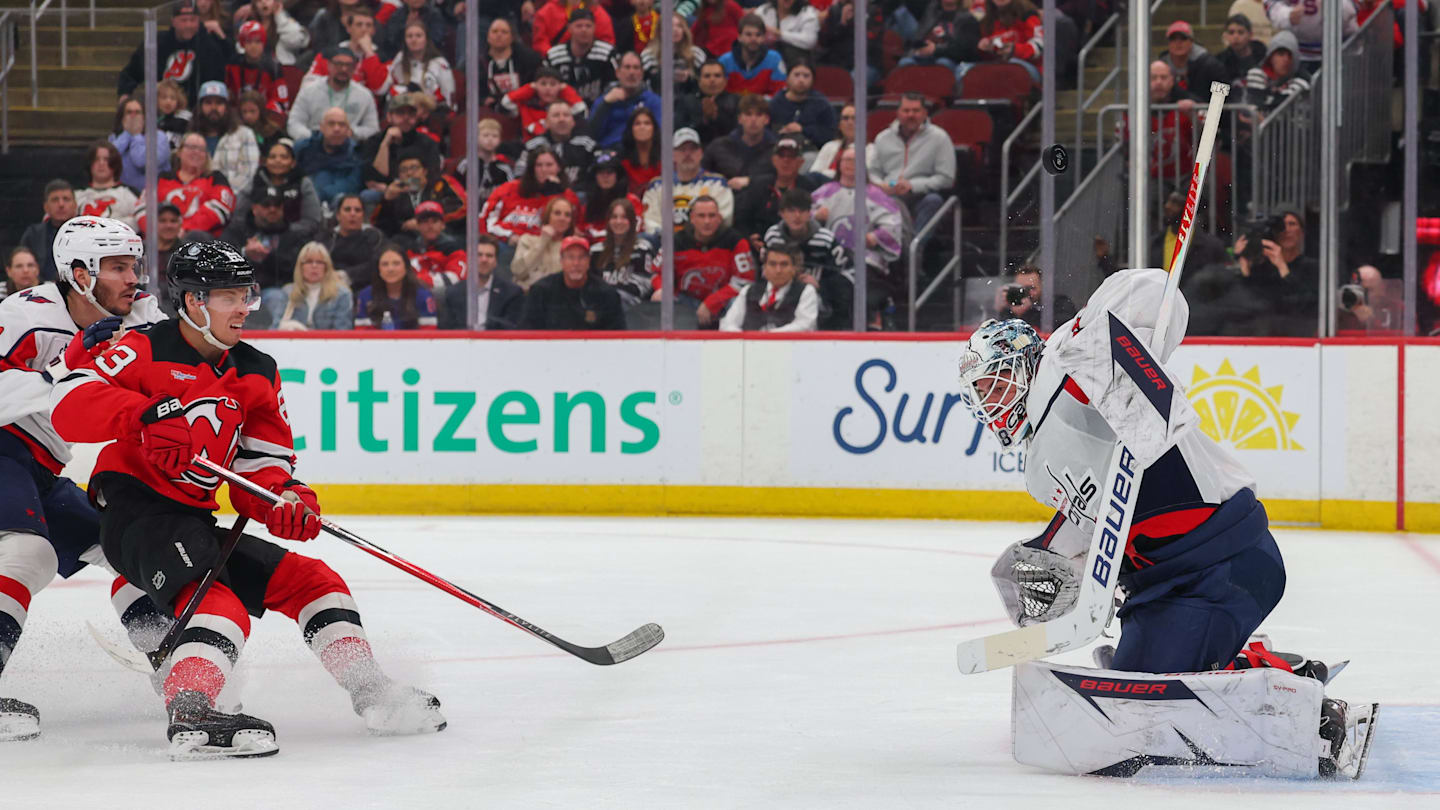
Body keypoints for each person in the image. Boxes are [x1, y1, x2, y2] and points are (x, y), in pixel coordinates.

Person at [956, 268, 1373, 780]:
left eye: (993, 383)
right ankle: (1263, 667)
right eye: (979, 394)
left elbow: (1157, 292)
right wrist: (1057, 566)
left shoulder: (1068, 363)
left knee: (1143, 715)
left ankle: (1311, 715)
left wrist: (1095, 334)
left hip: (1223, 565)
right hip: (1162, 590)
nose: (989, 404)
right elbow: (1093, 532)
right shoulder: (1041, 469)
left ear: (1023, 365)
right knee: (1134, 691)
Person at [48, 240, 443, 759]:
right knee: (221, 607)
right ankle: (190, 716)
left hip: (192, 520)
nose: (244, 308)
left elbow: (260, 465)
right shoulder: (143, 347)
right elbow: (68, 403)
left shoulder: (257, 369)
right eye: (230, 296)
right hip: (135, 514)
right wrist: (142, 414)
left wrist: (284, 499)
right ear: (193, 302)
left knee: (314, 581)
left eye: (247, 295)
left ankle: (372, 692)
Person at [0, 217, 170, 743]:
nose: (132, 279)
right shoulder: (25, 314)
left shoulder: (140, 317)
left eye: (135, 266)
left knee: (121, 548)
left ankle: (178, 666)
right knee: (29, 554)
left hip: (43, 468)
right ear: (78, 273)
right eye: (117, 268)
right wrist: (63, 369)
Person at [649, 195, 755, 327]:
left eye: (712, 216)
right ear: (692, 218)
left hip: (723, 303)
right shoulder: (675, 242)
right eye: (701, 216)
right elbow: (656, 272)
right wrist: (661, 289)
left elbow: (745, 281)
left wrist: (712, 302)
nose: (707, 221)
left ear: (719, 218)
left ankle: (735, 342)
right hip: (685, 302)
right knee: (659, 298)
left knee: (740, 301)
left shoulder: (735, 241)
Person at [761, 187, 851, 330]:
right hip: (780, 294)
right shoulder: (772, 236)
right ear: (781, 214)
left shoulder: (825, 239)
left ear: (810, 213)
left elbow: (843, 276)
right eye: (791, 211)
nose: (797, 216)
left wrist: (821, 286)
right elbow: (764, 271)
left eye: (802, 211)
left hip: (818, 296)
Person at [480, 146, 582, 269]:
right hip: (509, 243)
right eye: (539, 165)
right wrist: (509, 236)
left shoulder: (567, 196)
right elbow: (485, 220)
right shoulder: (509, 189)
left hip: (547, 245)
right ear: (532, 168)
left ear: (558, 168)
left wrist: (554, 191)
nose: (544, 170)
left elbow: (570, 228)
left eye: (549, 165)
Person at [812, 144, 905, 277]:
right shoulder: (824, 192)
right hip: (829, 258)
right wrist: (815, 216)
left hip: (866, 260)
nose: (850, 164)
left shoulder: (877, 195)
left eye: (855, 160)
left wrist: (875, 237)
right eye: (846, 160)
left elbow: (893, 223)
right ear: (839, 164)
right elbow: (800, 216)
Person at [868, 93, 956, 232]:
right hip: (889, 192)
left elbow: (946, 178)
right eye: (906, 110)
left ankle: (913, 248)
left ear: (924, 113)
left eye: (916, 111)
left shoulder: (940, 138)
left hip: (920, 195)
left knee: (933, 201)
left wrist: (912, 186)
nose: (910, 115)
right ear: (898, 113)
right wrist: (882, 185)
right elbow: (873, 171)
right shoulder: (883, 138)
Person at [117, 0, 227, 110]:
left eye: (192, 20)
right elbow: (131, 73)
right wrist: (125, 93)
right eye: (183, 20)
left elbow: (220, 77)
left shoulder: (209, 46)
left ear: (199, 21)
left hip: (196, 114)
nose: (188, 25)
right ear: (173, 21)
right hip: (160, 111)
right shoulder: (157, 43)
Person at [1232, 203, 1320, 335]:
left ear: (1302, 232)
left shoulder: (1313, 267)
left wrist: (1282, 267)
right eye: (1282, 225)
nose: (1286, 230)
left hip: (1299, 337)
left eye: (1292, 224)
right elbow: (1247, 306)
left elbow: (1306, 306)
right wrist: (1243, 266)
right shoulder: (1262, 269)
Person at [139, 132, 236, 237]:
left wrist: (182, 229)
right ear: (179, 152)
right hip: (160, 239)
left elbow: (220, 209)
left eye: (201, 149)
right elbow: (142, 207)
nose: (196, 152)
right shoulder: (163, 178)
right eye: (191, 147)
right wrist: (158, 231)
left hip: (201, 242)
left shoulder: (216, 178)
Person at [641, 128, 734, 235]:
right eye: (682, 149)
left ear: (701, 153)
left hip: (706, 244)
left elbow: (724, 219)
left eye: (692, 149)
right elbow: (650, 221)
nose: (687, 154)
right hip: (664, 245)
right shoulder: (657, 186)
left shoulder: (718, 184)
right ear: (672, 154)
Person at [222, 185, 310, 297]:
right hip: (239, 289)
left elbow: (297, 267)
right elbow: (222, 258)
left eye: (277, 205)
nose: (272, 209)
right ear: (254, 208)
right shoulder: (237, 229)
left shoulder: (295, 235)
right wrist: (245, 253)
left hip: (279, 290)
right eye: (266, 205)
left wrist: (266, 257)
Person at [522, 235, 625, 329]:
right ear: (561, 261)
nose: (576, 263)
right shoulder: (541, 291)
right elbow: (527, 331)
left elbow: (618, 336)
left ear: (589, 262)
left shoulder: (607, 294)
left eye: (581, 257)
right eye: (570, 257)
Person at [737, 136, 819, 248]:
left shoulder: (810, 188)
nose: (786, 160)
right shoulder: (758, 185)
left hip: (800, 247)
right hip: (760, 247)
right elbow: (741, 218)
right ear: (774, 160)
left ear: (801, 162)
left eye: (791, 156)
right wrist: (749, 237)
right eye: (782, 156)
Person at [237, 137, 324, 240]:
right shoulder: (256, 181)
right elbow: (238, 214)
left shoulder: (302, 183)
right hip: (255, 237)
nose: (278, 161)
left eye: (284, 157)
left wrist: (284, 232)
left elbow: (312, 220)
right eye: (272, 157)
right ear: (265, 162)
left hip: (294, 239)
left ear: (293, 163)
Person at [719, 243, 819, 332]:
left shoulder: (806, 291)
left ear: (794, 268)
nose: (778, 270)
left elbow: (805, 325)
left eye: (784, 264)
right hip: (750, 348)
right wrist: (745, 339)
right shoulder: (748, 291)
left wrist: (769, 337)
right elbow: (727, 324)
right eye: (772, 264)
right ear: (764, 268)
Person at [288, 47, 382, 141]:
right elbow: (294, 123)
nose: (344, 69)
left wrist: (352, 132)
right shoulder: (309, 91)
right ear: (329, 65)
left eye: (348, 65)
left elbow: (373, 128)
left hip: (350, 146)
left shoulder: (365, 95)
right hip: (313, 144)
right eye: (338, 64)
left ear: (354, 68)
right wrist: (314, 137)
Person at [362, 92, 443, 192]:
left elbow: (432, 177)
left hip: (419, 193)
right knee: (370, 195)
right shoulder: (374, 141)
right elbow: (371, 180)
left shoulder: (427, 143)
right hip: (384, 198)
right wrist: (385, 145)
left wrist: (395, 187)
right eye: (400, 113)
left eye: (411, 114)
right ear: (389, 116)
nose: (406, 117)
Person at [439, 235, 524, 329]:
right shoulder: (453, 293)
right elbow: (446, 331)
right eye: (479, 255)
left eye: (489, 256)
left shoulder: (511, 293)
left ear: (496, 261)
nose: (484, 260)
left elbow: (512, 330)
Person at [375, 151, 467, 237]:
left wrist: (425, 221)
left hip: (443, 234)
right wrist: (386, 201)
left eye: (414, 168)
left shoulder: (442, 183)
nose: (409, 173)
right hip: (408, 239)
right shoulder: (395, 192)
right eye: (403, 170)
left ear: (424, 171)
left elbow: (461, 207)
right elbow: (381, 225)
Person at [267, 241, 355, 329]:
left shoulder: (342, 294)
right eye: (309, 262)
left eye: (320, 262)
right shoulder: (287, 292)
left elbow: (342, 331)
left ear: (327, 267)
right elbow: (273, 327)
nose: (314, 266)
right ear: (300, 266)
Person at [191, 81, 261, 192]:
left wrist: (222, 196)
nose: (213, 108)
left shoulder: (244, 134)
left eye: (219, 103)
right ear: (200, 107)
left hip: (234, 197)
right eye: (208, 103)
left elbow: (248, 175)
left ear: (227, 107)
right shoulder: (191, 137)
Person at [703, 94, 779, 192]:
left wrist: (751, 181)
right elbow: (702, 174)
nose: (753, 120)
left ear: (767, 119)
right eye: (748, 114)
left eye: (759, 115)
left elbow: (784, 179)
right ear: (739, 119)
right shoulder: (719, 146)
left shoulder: (776, 150)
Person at [303, 9, 391, 92]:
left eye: (368, 25)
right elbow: (308, 85)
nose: (364, 29)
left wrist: (369, 53)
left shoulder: (382, 57)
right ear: (348, 28)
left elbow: (380, 90)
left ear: (373, 30)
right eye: (359, 24)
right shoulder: (329, 54)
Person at [514, 100, 598, 187]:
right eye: (556, 115)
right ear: (546, 123)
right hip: (540, 194)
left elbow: (598, 172)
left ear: (573, 122)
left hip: (578, 194)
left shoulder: (587, 145)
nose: (561, 119)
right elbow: (519, 174)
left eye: (566, 115)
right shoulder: (533, 146)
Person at [589, 51, 662, 150]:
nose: (631, 72)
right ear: (617, 73)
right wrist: (605, 105)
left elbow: (660, 134)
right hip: (610, 155)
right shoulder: (604, 100)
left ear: (641, 73)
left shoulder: (654, 101)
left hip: (641, 153)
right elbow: (591, 134)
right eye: (627, 67)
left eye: (636, 68)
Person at [356, 242, 440, 328]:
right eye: (385, 264)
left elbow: (429, 336)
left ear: (406, 267)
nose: (390, 269)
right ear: (378, 269)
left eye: (396, 263)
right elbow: (361, 335)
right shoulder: (365, 296)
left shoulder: (423, 295)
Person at [295, 107, 365, 207]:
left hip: (338, 203)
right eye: (331, 124)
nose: (337, 129)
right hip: (305, 200)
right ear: (321, 127)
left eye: (342, 125)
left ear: (348, 130)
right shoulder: (303, 148)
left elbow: (352, 185)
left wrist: (318, 195)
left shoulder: (355, 152)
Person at [592, 198, 656, 307]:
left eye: (624, 217)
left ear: (632, 221)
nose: (618, 221)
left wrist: (612, 293)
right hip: (600, 304)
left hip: (632, 307)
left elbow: (644, 285)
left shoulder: (642, 248)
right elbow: (590, 283)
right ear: (608, 221)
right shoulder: (595, 250)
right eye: (614, 217)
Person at [544, 9, 615, 104]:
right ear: (569, 28)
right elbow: (543, 86)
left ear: (595, 28)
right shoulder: (554, 55)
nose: (584, 30)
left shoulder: (607, 53)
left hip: (599, 108)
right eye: (579, 26)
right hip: (563, 111)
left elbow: (615, 84)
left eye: (588, 26)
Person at [964, 0, 1043, 85]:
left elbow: (1040, 46)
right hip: (996, 66)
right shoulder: (985, 16)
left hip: (1027, 67)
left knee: (1010, 66)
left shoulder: (1027, 14)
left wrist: (1014, 50)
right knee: (966, 70)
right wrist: (983, 49)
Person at [380, 21, 455, 109]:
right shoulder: (399, 58)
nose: (414, 40)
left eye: (418, 36)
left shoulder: (440, 63)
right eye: (409, 36)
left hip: (431, 111)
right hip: (403, 109)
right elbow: (387, 86)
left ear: (426, 39)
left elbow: (448, 98)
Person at [1267, 0, 1357, 73]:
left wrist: (1333, 7)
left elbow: (1353, 6)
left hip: (1340, 51)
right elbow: (1271, 5)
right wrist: (1287, 15)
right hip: (1297, 53)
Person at [510, 195, 577, 291]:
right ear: (547, 216)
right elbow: (518, 271)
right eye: (557, 213)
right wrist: (543, 241)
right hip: (527, 296)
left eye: (567, 215)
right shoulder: (527, 240)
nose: (562, 218)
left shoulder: (573, 246)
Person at [226, 20, 290, 122]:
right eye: (249, 41)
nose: (253, 46)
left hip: (266, 119)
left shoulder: (273, 67)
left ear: (263, 43)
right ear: (242, 43)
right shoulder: (233, 64)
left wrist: (262, 114)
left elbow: (281, 102)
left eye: (258, 41)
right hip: (238, 118)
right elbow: (228, 94)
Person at [502, 65, 589, 139]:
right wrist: (528, 89)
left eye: (553, 84)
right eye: (543, 84)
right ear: (535, 85)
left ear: (561, 86)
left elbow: (582, 110)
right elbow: (505, 103)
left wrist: (566, 90)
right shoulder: (527, 106)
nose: (548, 88)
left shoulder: (565, 107)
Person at [768, 62, 838, 152]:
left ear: (813, 80)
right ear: (787, 78)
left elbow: (829, 134)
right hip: (778, 151)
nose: (801, 80)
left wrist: (803, 129)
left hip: (812, 152)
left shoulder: (821, 103)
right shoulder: (775, 103)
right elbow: (766, 132)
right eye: (796, 75)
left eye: (806, 76)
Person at [322, 193, 386, 290]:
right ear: (338, 215)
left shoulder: (375, 237)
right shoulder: (327, 238)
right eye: (347, 210)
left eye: (357, 210)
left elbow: (378, 264)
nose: (353, 214)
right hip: (329, 287)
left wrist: (347, 275)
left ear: (363, 215)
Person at [1237, 30, 1312, 113]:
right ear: (1270, 56)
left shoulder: (1300, 82)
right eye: (1281, 54)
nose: (1286, 60)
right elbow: (1254, 109)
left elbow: (1280, 115)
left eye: (1290, 56)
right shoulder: (1257, 74)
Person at [479, 16, 543, 109]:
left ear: (512, 37)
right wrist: (484, 100)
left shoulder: (529, 59)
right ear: (488, 37)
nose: (499, 35)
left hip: (522, 108)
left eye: (504, 32)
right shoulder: (478, 63)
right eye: (495, 31)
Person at [76, 141, 143, 231]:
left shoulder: (129, 194)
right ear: (90, 163)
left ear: (115, 164)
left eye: (107, 159)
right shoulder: (76, 195)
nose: (101, 163)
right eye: (96, 159)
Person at [898, 0, 980, 73]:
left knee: (942, 64)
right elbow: (920, 36)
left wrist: (935, 49)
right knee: (905, 63)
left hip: (950, 60)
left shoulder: (968, 19)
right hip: (923, 56)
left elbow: (965, 50)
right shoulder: (931, 12)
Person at [20, 181, 78, 282]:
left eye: (66, 199)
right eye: (55, 200)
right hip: (39, 289)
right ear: (46, 207)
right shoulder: (33, 234)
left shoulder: (88, 232)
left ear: (75, 205)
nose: (61, 204)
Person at [403, 201, 468, 290]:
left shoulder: (454, 248)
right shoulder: (410, 249)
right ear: (417, 226)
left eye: (435, 221)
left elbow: (456, 278)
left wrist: (419, 280)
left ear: (443, 225)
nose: (430, 226)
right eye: (425, 222)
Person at [717, 14, 787, 96]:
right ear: (739, 37)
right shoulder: (724, 61)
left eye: (758, 35)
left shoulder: (775, 59)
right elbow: (719, 95)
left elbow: (779, 94)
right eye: (748, 34)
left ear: (764, 37)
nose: (753, 39)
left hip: (764, 108)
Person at [990, 264, 1076, 328]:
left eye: (1031, 288)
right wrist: (998, 310)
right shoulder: (1010, 308)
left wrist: (1027, 312)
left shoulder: (1059, 304)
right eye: (1020, 288)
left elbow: (1061, 327)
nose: (1025, 293)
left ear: (1042, 287)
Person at [1159, 20, 1226, 103]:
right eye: (1173, 38)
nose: (1178, 43)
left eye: (1183, 38)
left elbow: (1221, 93)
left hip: (1204, 113)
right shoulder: (1160, 67)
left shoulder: (1212, 65)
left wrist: (1211, 115)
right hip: (1169, 114)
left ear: (1191, 41)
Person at [581, 150, 642, 241]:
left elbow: (636, 230)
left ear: (618, 175)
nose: (605, 176)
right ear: (595, 176)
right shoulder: (587, 205)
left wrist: (595, 235)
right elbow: (582, 232)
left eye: (609, 172)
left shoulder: (632, 201)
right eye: (601, 172)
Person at [453, 118, 515, 207]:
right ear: (476, 137)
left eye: (495, 136)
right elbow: (454, 191)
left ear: (500, 140)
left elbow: (511, 194)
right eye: (485, 135)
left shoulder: (504, 169)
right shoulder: (466, 165)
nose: (490, 139)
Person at [641, 12, 708, 91]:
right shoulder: (648, 55)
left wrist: (689, 77)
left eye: (679, 26)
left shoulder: (697, 54)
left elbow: (704, 84)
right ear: (660, 31)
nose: (675, 30)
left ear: (684, 30)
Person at [532, 0, 616, 53]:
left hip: (592, 61)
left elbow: (607, 42)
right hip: (556, 63)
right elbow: (540, 42)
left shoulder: (597, 11)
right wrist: (555, 56)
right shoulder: (547, 11)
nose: (584, 29)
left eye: (587, 26)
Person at [755, 0, 821, 67]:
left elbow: (810, 41)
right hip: (765, 57)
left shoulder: (807, 12)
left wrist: (780, 34)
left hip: (796, 62)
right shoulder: (764, 10)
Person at [690, 59, 740, 146]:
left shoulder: (737, 101)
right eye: (707, 76)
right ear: (699, 81)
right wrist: (704, 120)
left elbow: (739, 131)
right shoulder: (686, 101)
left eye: (717, 75)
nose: (712, 80)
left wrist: (716, 118)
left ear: (725, 80)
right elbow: (680, 129)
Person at [247, 0, 311, 66]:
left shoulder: (285, 21)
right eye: (259, 1)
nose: (264, 2)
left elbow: (296, 41)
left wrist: (279, 15)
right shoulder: (249, 24)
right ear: (255, 5)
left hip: (282, 69)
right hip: (257, 69)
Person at [110, 98, 153, 191]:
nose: (133, 116)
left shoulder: (157, 137)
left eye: (137, 112)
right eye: (129, 112)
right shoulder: (114, 138)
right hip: (121, 193)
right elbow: (110, 159)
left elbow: (141, 162)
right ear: (122, 117)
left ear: (144, 116)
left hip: (148, 194)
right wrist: (127, 134)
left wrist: (136, 135)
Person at [618, 108, 661, 194]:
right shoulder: (621, 161)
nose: (642, 127)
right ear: (631, 129)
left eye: (647, 123)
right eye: (637, 124)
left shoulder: (665, 159)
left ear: (654, 129)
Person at [808, 103, 855, 181]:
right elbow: (814, 172)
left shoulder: (870, 149)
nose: (850, 122)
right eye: (845, 118)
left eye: (854, 118)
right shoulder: (829, 146)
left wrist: (826, 173)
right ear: (840, 125)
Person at [1217, 13, 1267, 83]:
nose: (1235, 37)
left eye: (1240, 32)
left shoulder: (1264, 57)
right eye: (1231, 32)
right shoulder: (1220, 62)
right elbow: (1218, 93)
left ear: (1250, 35)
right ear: (1226, 36)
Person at [237, 89, 286, 155]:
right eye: (244, 112)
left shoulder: (274, 131)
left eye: (252, 111)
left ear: (261, 110)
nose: (248, 116)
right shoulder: (236, 131)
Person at [155, 79, 196, 146]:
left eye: (173, 98)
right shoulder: (158, 120)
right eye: (164, 97)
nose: (168, 102)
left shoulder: (184, 117)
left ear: (178, 101)